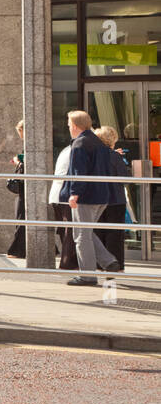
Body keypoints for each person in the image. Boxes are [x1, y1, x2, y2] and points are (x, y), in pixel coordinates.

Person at [60, 111, 124, 285]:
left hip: (86, 197)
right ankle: (109, 262)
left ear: (75, 126)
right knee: (85, 232)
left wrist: (74, 193)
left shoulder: (80, 143)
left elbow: (78, 171)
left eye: (69, 124)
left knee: (81, 236)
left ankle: (88, 276)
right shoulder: (97, 142)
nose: (68, 127)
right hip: (101, 195)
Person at [92, 125, 130, 269]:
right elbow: (124, 178)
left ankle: (101, 264)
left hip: (97, 199)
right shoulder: (114, 156)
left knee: (98, 232)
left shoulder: (93, 155)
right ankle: (116, 264)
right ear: (112, 139)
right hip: (115, 199)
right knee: (115, 234)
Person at [48, 141, 77, 270]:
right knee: (69, 231)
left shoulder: (66, 149)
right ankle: (67, 263)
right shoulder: (75, 150)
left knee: (65, 231)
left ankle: (69, 262)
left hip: (57, 194)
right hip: (64, 195)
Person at [7, 120, 27, 259]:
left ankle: (17, 250)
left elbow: (27, 163)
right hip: (24, 186)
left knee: (21, 216)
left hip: (24, 186)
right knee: (21, 215)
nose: (20, 135)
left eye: (20, 131)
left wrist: (18, 161)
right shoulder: (27, 144)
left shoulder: (29, 143)